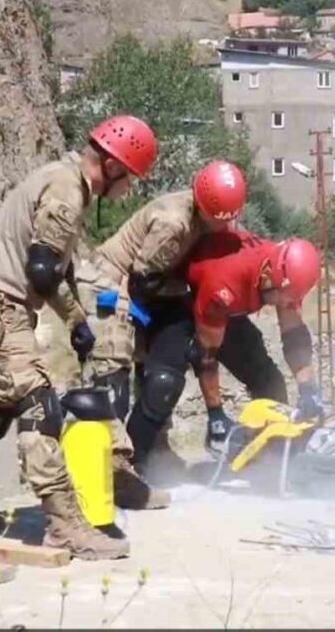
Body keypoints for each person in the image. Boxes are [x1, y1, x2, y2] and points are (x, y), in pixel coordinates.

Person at [0, 115, 157, 561]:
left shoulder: (61, 180)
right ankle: (64, 526)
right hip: (0, 307)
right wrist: (75, 319)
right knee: (39, 408)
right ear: (111, 166)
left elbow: (53, 269)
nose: (129, 190)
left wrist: (76, 324)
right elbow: (41, 269)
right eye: (129, 178)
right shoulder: (67, 191)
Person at [74, 160, 247, 503]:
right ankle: (113, 474)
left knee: (162, 376)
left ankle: (154, 450)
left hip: (154, 290)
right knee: (113, 373)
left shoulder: (210, 213)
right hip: (110, 284)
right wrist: (142, 331)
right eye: (221, 219)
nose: (226, 225)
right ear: (205, 206)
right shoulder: (174, 223)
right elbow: (143, 279)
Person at [124, 228, 325, 465]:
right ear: (267, 275)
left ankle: (270, 462)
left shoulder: (283, 274)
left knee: (270, 383)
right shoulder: (226, 282)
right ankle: (130, 464)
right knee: (164, 384)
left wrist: (308, 388)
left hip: (226, 307)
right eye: (284, 298)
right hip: (178, 299)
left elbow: (293, 336)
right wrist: (216, 415)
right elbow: (206, 356)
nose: (286, 304)